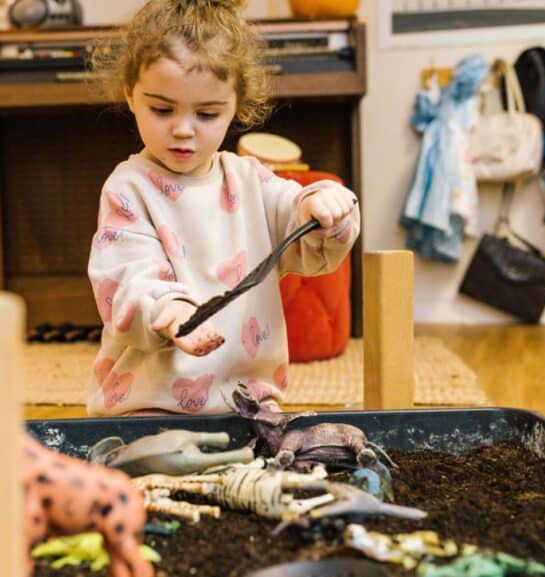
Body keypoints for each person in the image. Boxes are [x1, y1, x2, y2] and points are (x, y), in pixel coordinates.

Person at [86, 0, 360, 416]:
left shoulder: (249, 180)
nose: (182, 129)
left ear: (235, 106)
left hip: (249, 404)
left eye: (207, 113)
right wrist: (168, 309)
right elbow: (126, 274)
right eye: (162, 109)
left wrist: (321, 205)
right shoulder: (129, 188)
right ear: (130, 94)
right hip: (150, 403)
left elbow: (295, 215)